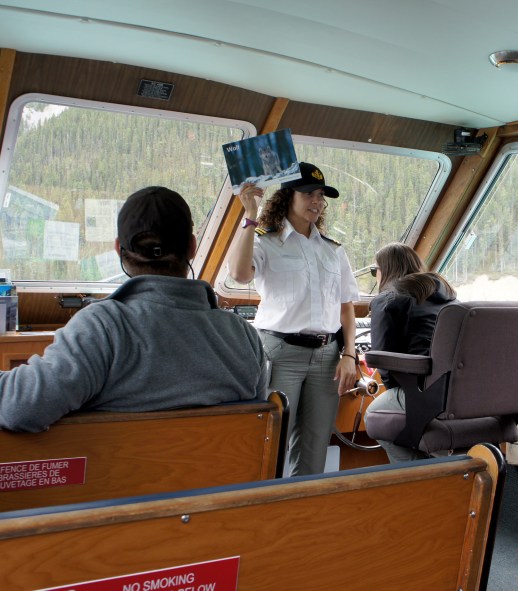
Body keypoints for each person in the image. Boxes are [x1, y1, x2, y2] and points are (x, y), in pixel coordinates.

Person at [0, 186, 269, 432]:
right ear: (192, 247)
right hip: (222, 485)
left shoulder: (103, 327)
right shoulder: (244, 337)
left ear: (119, 249)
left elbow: (21, 409)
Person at [226, 162, 359, 476]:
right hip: (280, 354)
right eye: (308, 194)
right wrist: (249, 216)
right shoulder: (264, 240)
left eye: (321, 196)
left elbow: (346, 308)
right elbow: (239, 273)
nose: (317, 201)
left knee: (314, 450)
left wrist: (350, 353)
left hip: (327, 357)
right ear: (287, 196)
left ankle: (302, 515)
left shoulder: (332, 250)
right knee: (271, 443)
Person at [363, 242, 457, 463]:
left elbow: (383, 361)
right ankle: (428, 472)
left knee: (374, 416)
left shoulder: (387, 300)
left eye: (374, 270)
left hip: (423, 391)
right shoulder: (450, 298)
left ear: (385, 270)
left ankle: (412, 477)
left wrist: (403, 392)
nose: (375, 275)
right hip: (458, 391)